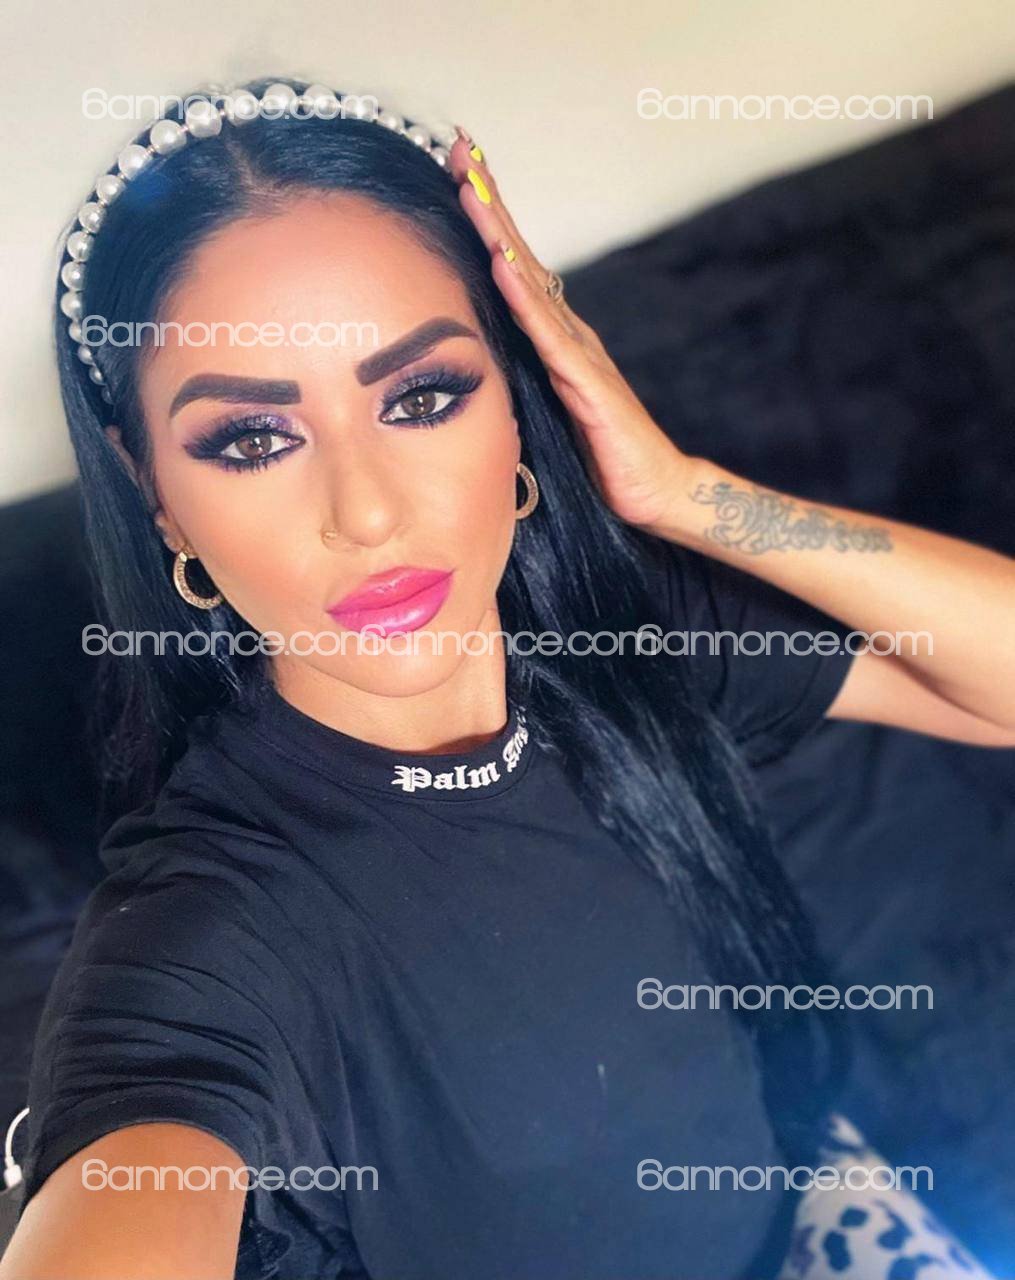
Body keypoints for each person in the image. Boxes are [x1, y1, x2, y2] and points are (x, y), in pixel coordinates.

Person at [2, 75, 1013, 1280]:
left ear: (516, 399)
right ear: (156, 493)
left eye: (422, 396)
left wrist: (686, 492)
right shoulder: (202, 938)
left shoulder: (622, 640)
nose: (368, 513)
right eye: (253, 439)